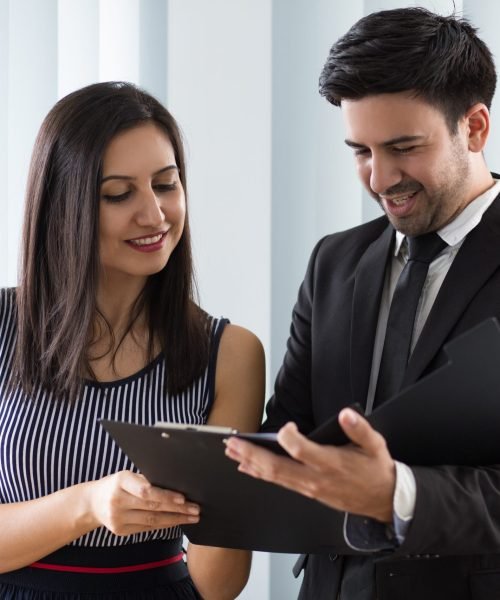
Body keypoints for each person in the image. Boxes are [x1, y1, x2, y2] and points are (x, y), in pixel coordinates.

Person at [225, 7, 500, 600]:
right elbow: (292, 434)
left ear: (475, 127)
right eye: (360, 151)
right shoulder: (334, 262)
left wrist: (400, 494)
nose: (379, 179)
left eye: (403, 147)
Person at [0, 81, 265, 600]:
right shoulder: (5, 325)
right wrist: (90, 505)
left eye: (166, 185)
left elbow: (219, 585)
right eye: (119, 194)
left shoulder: (229, 354)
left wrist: (228, 496)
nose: (154, 215)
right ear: (63, 204)